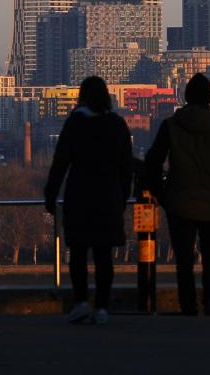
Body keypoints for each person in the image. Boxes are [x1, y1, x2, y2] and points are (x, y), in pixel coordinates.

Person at [144, 73, 210, 316]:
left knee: (184, 258)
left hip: (179, 201)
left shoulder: (171, 126)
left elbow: (153, 162)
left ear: (185, 96)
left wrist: (161, 193)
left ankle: (188, 305)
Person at [45, 76, 134, 325]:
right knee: (104, 255)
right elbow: (126, 165)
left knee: (79, 252)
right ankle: (103, 307)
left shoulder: (76, 122)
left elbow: (60, 161)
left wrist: (51, 194)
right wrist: (123, 194)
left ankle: (81, 302)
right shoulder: (116, 124)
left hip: (80, 195)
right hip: (108, 197)